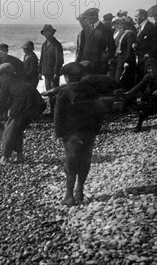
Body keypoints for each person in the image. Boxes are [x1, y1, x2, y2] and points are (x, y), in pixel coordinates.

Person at [54, 62, 106, 206]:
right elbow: (99, 111)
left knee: (71, 162)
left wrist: (58, 133)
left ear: (67, 77)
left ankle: (69, 196)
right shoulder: (91, 90)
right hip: (88, 132)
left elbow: (58, 115)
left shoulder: (63, 91)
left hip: (71, 133)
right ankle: (80, 192)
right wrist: (96, 128)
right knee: (85, 160)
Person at [0, 63, 46, 164]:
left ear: (5, 75)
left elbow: (1, 102)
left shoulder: (7, 84)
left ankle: (4, 158)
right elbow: (11, 99)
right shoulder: (21, 82)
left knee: (8, 132)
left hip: (20, 110)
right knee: (17, 132)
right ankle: (20, 156)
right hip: (33, 110)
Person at [123, 58, 157, 132]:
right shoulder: (148, 76)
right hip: (153, 98)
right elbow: (139, 86)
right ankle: (138, 127)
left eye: (152, 68)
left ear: (156, 67)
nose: (151, 70)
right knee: (143, 110)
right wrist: (128, 93)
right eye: (149, 69)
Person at [76, 8, 116, 74]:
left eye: (86, 18)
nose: (85, 20)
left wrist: (103, 58)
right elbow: (81, 48)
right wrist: (78, 62)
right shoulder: (85, 30)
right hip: (85, 66)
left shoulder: (106, 30)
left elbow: (112, 48)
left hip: (99, 67)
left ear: (93, 18)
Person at [38, 24, 64, 113]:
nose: (47, 35)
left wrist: (56, 72)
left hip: (53, 73)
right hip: (46, 72)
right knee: (49, 92)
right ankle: (52, 110)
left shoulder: (57, 45)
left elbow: (59, 60)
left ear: (52, 33)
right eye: (45, 33)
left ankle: (57, 110)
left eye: (49, 33)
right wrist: (39, 71)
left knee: (54, 92)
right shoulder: (44, 45)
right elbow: (41, 59)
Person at [133, 9, 157, 80]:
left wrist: (149, 54)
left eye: (136, 16)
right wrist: (135, 44)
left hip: (149, 59)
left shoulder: (152, 27)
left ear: (142, 16)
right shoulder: (139, 28)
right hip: (140, 58)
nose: (134, 18)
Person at [110, 17, 137, 88]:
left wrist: (127, 61)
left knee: (120, 77)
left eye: (120, 23)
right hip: (117, 57)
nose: (118, 25)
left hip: (124, 58)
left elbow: (129, 49)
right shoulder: (117, 33)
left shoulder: (129, 33)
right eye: (117, 23)